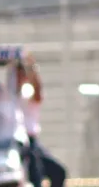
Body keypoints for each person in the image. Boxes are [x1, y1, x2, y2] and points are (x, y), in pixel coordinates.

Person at [12, 54, 67, 187]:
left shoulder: (26, 92)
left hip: (31, 141)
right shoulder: (8, 98)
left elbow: (37, 95)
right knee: (33, 176)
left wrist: (33, 70)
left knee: (58, 172)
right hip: (16, 142)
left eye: (22, 73)